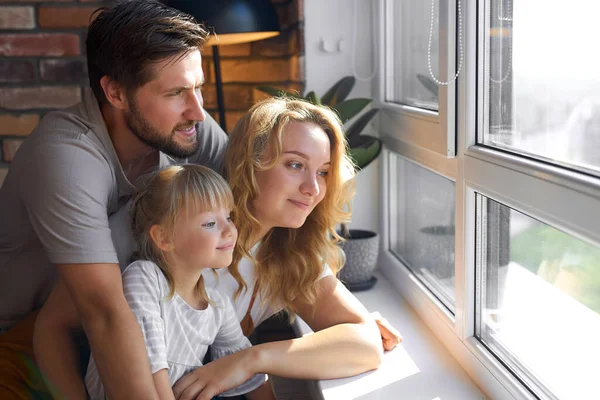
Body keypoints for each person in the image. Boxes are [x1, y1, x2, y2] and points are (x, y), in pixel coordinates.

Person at [0, 1, 227, 398]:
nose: (197, 110)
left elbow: (257, 198)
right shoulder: (67, 158)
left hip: (121, 333)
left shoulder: (184, 125)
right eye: (176, 92)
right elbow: (103, 313)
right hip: (26, 351)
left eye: (199, 86)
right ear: (116, 92)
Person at [170, 97, 403, 399]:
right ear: (249, 164)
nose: (313, 188)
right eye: (295, 165)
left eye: (322, 172)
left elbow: (367, 345)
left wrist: (253, 359)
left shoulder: (287, 252)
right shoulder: (195, 239)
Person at [82, 165, 274, 400]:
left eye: (229, 217)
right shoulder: (145, 278)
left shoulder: (216, 305)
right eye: (210, 223)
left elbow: (247, 372)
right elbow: (152, 369)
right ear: (164, 237)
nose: (230, 231)